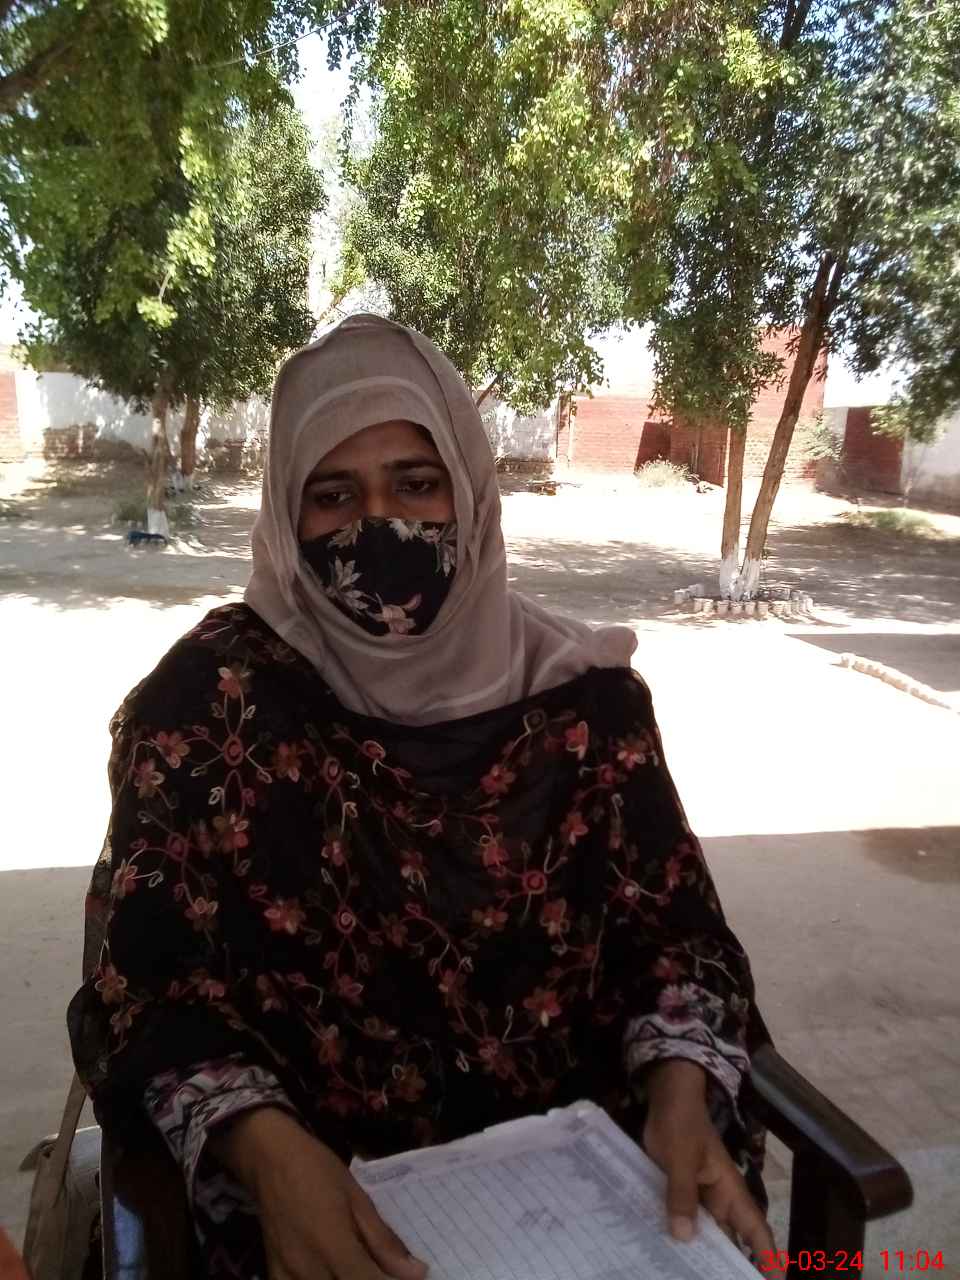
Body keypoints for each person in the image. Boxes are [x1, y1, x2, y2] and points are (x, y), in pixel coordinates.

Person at [69, 314, 773, 1280]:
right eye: (332, 495)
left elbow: (677, 941)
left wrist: (681, 1088)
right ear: (284, 512)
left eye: (415, 483)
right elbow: (149, 989)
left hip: (585, 1202)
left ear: (469, 492)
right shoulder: (210, 713)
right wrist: (263, 1149)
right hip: (319, 1209)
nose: (380, 525)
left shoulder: (587, 708)